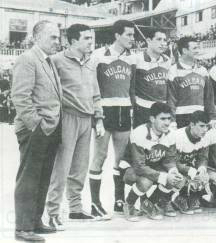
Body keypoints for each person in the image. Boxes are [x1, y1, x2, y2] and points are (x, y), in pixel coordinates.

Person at [46, 24, 105, 229]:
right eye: (87, 38)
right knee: (61, 168)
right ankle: (52, 212)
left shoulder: (90, 62)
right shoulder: (56, 61)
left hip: (86, 120)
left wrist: (99, 119)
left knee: (79, 167)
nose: (91, 42)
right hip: (67, 118)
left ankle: (76, 209)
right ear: (72, 41)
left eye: (91, 38)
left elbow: (96, 94)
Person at [11, 20, 61, 242]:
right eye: (53, 37)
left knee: (42, 177)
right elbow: (20, 96)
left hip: (50, 127)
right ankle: (23, 228)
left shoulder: (47, 61)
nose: (58, 41)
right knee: (29, 178)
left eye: (58, 37)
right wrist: (36, 124)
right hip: (36, 129)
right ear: (37, 37)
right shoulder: (27, 59)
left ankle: (35, 222)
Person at [88, 19, 136, 217]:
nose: (132, 39)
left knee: (121, 159)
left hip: (124, 110)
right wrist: (96, 115)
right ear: (117, 35)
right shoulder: (98, 55)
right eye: (129, 35)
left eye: (133, 35)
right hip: (104, 110)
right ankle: (95, 203)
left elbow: (132, 88)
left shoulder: (133, 58)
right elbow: (92, 86)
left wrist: (132, 109)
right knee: (100, 156)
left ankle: (119, 200)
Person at [123, 102, 184, 221]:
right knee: (146, 182)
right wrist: (164, 177)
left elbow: (170, 159)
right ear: (152, 119)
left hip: (153, 167)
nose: (167, 122)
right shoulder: (139, 133)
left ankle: (149, 203)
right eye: (162, 119)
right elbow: (139, 166)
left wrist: (173, 171)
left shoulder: (170, 134)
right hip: (132, 170)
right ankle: (129, 204)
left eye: (169, 119)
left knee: (179, 180)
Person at [167, 37, 216, 128]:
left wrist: (212, 117)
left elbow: (209, 97)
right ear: (185, 50)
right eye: (194, 48)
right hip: (181, 117)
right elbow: (171, 99)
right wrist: (172, 121)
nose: (198, 51)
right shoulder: (173, 70)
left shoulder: (203, 70)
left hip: (201, 115)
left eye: (198, 48)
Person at [172, 111, 211, 214]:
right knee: (180, 178)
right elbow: (171, 162)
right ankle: (171, 200)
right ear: (192, 124)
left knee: (204, 175)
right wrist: (190, 171)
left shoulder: (205, 137)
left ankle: (192, 197)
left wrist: (201, 169)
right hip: (173, 168)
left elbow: (203, 157)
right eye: (202, 126)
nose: (205, 130)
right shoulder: (178, 136)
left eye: (207, 126)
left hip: (188, 167)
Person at [133, 28, 171, 128]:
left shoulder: (168, 60)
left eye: (164, 40)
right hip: (143, 108)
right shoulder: (137, 59)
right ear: (148, 41)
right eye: (159, 39)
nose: (163, 43)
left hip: (163, 109)